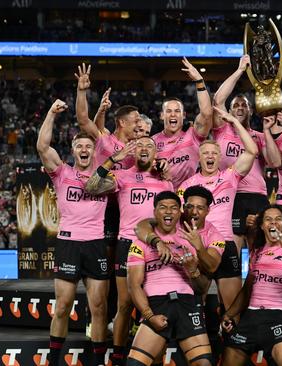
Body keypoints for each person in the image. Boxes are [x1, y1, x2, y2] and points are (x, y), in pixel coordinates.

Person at [85, 136, 173, 365]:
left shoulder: (165, 180)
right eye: (140, 145)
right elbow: (91, 187)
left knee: (155, 304)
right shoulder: (122, 176)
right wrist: (114, 159)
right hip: (128, 244)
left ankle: (154, 357)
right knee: (124, 304)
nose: (144, 148)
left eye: (150, 146)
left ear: (156, 153)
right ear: (133, 151)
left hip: (156, 245)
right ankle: (117, 357)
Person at [36, 100, 109, 366]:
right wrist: (51, 113)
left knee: (99, 308)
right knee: (63, 306)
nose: (84, 149)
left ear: (94, 151)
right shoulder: (61, 172)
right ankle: (54, 361)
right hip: (68, 244)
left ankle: (99, 362)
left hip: (96, 244)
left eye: (89, 146)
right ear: (73, 150)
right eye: (79, 145)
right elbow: (42, 147)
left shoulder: (105, 178)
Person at [177, 106, 258, 324]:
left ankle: (231, 348)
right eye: (205, 153)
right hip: (196, 245)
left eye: (214, 153)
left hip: (225, 243)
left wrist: (234, 121)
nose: (210, 156)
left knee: (232, 308)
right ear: (199, 157)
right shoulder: (187, 186)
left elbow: (252, 151)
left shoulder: (229, 177)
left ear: (220, 157)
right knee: (194, 304)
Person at [126, 191, 214, 366]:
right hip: (158, 305)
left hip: (187, 304)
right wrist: (149, 316)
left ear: (180, 213)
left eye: (174, 208)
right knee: (135, 365)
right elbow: (134, 285)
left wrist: (192, 271)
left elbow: (202, 288)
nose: (168, 212)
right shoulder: (140, 243)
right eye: (163, 208)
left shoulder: (190, 240)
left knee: (203, 364)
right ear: (155, 212)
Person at [221, 206, 282, 366]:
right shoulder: (256, 251)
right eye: (268, 219)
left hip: (279, 316)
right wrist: (229, 314)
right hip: (252, 317)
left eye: (278, 219)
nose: (273, 223)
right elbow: (247, 289)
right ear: (262, 226)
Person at [212, 54, 282, 250]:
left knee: (258, 248)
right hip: (231, 193)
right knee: (233, 247)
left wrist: (267, 130)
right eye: (236, 105)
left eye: (244, 105)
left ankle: (256, 281)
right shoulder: (221, 130)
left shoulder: (259, 136)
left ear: (251, 111)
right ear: (230, 111)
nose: (240, 108)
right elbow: (218, 100)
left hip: (257, 195)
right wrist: (240, 70)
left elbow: (275, 162)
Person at [153, 57, 213, 187]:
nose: (173, 114)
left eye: (177, 111)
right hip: (162, 198)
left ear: (184, 115)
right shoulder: (152, 142)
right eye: (168, 111)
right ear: (162, 116)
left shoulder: (193, 136)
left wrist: (199, 81)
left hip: (189, 198)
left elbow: (207, 114)